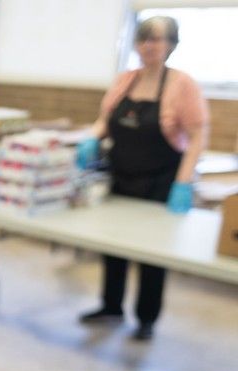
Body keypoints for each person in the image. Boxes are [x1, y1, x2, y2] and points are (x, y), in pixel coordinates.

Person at [77, 16, 208, 341]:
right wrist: (90, 138)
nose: (149, 46)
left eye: (158, 39)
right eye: (144, 39)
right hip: (121, 178)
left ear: (172, 45)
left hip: (160, 182)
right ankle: (111, 306)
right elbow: (104, 121)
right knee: (113, 245)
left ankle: (146, 319)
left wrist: (183, 181)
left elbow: (198, 134)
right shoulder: (125, 81)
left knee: (152, 255)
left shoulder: (182, 85)